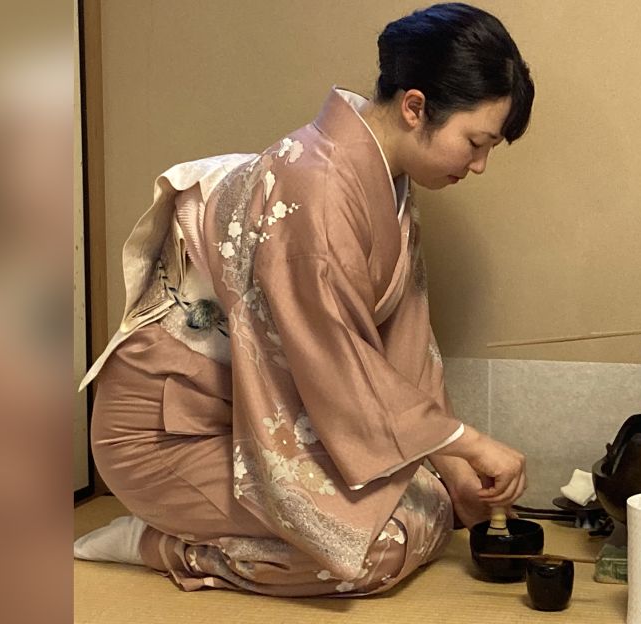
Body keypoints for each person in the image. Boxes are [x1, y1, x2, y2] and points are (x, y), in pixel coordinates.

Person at [74, 3, 535, 597]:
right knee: (368, 553)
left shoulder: (386, 185)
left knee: (432, 508)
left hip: (249, 417)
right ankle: (157, 541)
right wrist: (467, 442)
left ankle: (215, 530)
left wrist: (451, 469)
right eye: (476, 142)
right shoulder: (312, 185)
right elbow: (332, 360)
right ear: (415, 106)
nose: (479, 165)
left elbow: (406, 348)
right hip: (170, 430)